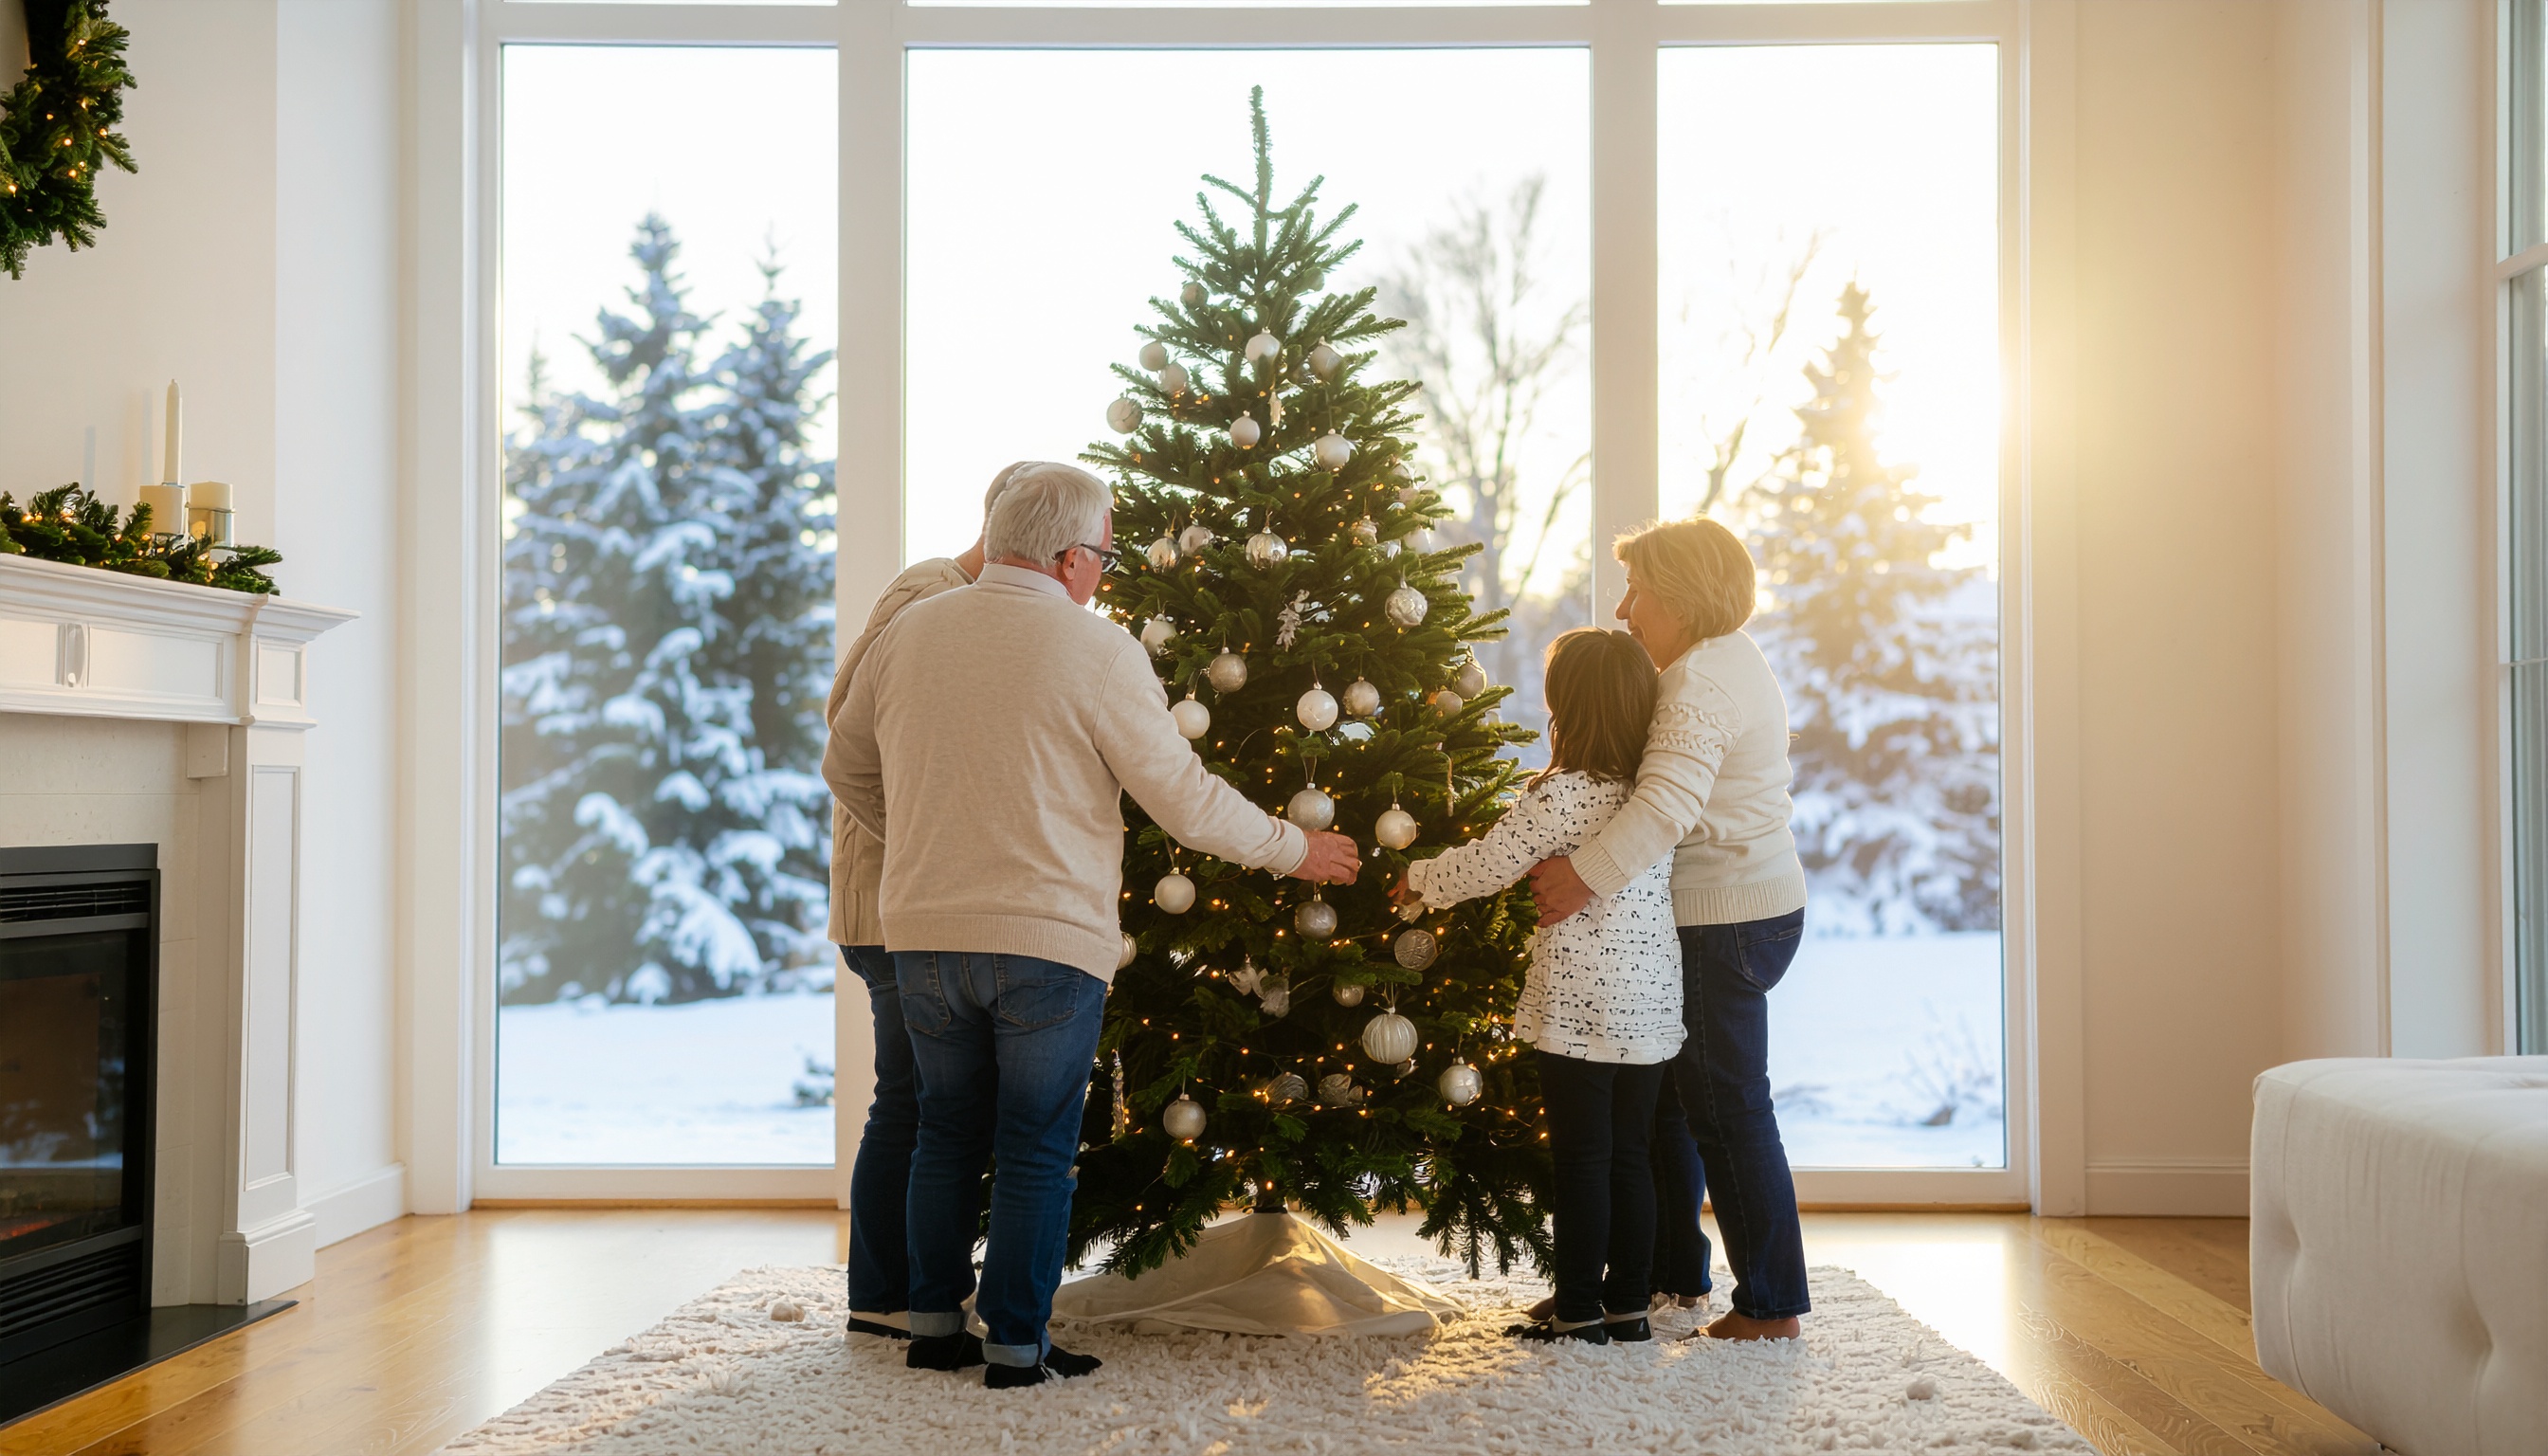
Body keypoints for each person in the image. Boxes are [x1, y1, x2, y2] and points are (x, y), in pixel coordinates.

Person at [830, 462, 1362, 1389]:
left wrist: (922, 843)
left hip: (923, 933)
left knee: (944, 1132)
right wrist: (1296, 849)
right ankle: (1015, 1347)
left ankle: (931, 1326)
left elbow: (846, 766)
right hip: (1047, 940)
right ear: (1071, 558)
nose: (1104, 575)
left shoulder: (911, 631)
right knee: (1036, 1144)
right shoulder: (1099, 649)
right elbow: (1185, 801)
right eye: (1105, 558)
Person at [1526, 518, 1811, 1342]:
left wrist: (1581, 875)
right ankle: (1670, 1275)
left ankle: (1770, 1306)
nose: (1624, 611)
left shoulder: (1699, 682)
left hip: (1726, 917)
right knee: (1676, 1111)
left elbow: (1665, 806)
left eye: (1638, 592)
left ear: (1682, 599)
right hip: (1749, 907)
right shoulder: (1724, 661)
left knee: (1725, 1109)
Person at [1389, 628, 1681, 1346]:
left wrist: (1420, 879)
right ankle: (1628, 1307)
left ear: (1566, 709)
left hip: (1579, 1007)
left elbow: (1488, 864)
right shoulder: (1654, 800)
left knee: (1582, 1159)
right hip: (1650, 1003)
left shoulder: (1561, 797)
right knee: (1632, 1158)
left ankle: (1578, 1309)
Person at [820, 462, 1031, 1342]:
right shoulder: (929, 591)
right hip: (892, 901)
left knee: (920, 1099)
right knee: (910, 1100)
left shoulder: (971, 605)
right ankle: (884, 1292)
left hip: (916, 897)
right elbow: (848, 722)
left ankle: (910, 1285)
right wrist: (921, 840)